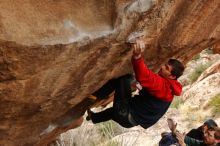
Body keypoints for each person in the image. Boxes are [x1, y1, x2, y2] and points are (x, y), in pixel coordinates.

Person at [86, 40, 185, 129]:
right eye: (165, 64)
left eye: (166, 68)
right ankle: (93, 117)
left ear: (172, 76)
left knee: (124, 80)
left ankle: (96, 96)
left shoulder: (164, 87)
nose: (162, 67)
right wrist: (142, 89)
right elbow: (153, 99)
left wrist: (137, 56)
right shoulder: (170, 89)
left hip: (125, 114)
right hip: (129, 121)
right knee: (113, 112)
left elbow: (144, 76)